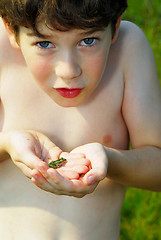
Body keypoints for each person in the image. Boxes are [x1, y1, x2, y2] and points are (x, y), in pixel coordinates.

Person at [0, 0, 160, 239]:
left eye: (88, 41)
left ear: (114, 27)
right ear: (12, 31)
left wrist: (110, 160)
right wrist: (8, 144)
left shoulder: (129, 46)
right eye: (44, 43)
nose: (68, 70)